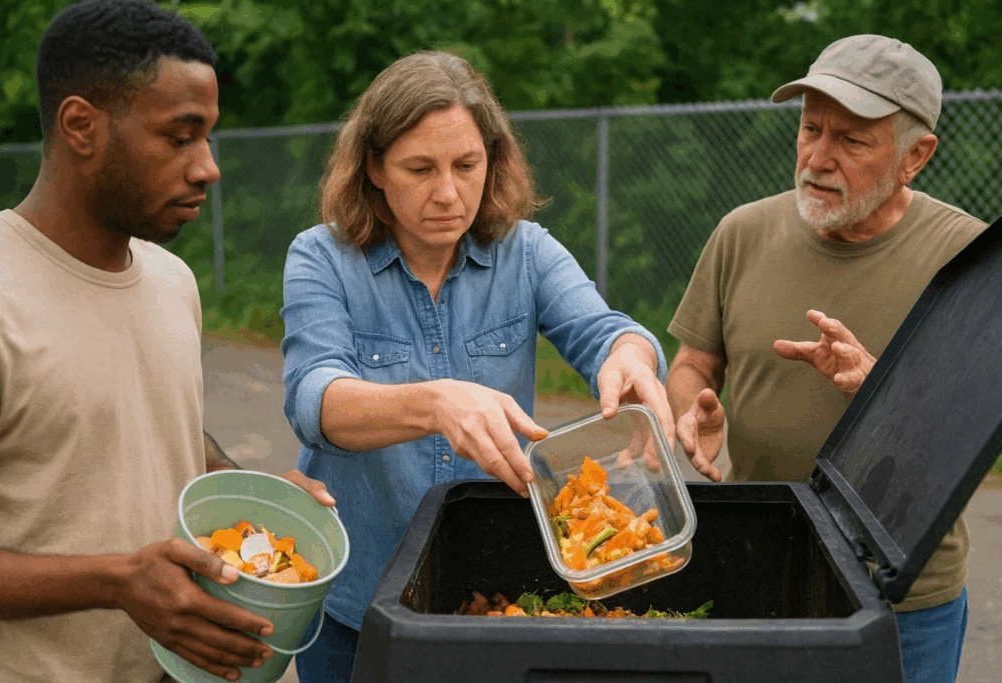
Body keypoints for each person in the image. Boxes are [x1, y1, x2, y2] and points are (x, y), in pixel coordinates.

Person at [281, 50, 675, 682]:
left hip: (486, 599)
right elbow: (314, 401)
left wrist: (631, 358)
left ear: (492, 161)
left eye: (467, 165)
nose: (448, 192)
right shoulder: (323, 258)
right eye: (419, 168)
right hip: (356, 606)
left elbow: (606, 330)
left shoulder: (527, 251)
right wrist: (435, 402)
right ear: (374, 167)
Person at [0, 2, 334, 682]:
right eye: (180, 137)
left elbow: (156, 432)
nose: (209, 167)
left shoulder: (173, 280)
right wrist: (117, 581)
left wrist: (251, 501)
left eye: (210, 137)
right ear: (81, 125)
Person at [665, 34, 984, 683]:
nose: (818, 156)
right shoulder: (742, 232)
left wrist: (882, 393)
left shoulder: (969, 260)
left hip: (902, 600)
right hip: (757, 564)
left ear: (915, 155)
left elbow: (978, 431)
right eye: (811, 129)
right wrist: (690, 408)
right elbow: (693, 365)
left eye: (852, 140)